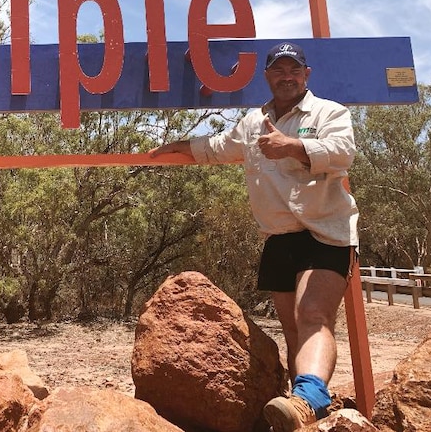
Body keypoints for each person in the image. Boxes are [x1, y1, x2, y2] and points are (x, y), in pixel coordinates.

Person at [150, 41, 358, 431]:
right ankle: (305, 407)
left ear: (306, 74)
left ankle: (310, 396)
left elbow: (342, 152)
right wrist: (177, 146)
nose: (287, 76)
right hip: (279, 237)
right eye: (278, 70)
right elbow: (217, 148)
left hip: (326, 231)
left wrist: (292, 146)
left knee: (312, 315)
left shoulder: (329, 112)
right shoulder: (251, 122)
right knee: (294, 327)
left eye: (294, 70)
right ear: (267, 76)